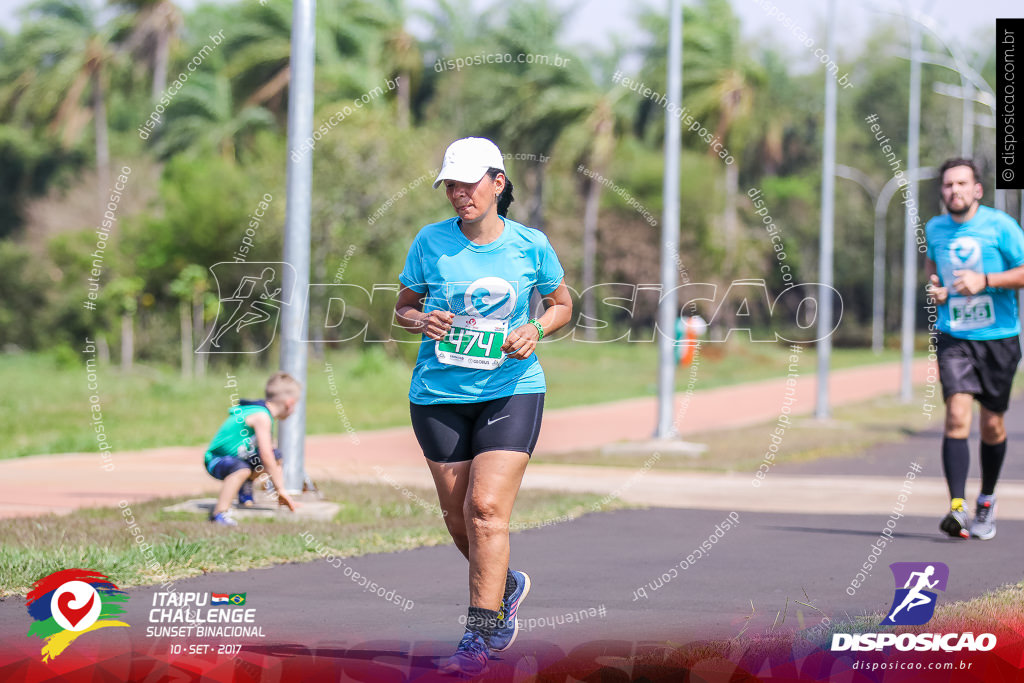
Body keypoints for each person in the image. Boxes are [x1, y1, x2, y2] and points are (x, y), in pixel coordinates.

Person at [394, 137, 573, 675]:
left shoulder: (530, 245)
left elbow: (563, 304)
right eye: (450, 184)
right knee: (458, 521)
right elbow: (403, 307)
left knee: (487, 512)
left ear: (497, 183)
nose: (458, 193)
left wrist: (535, 328)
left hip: (512, 388)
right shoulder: (430, 243)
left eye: (468, 183)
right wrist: (420, 319)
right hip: (438, 395)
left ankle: (477, 638)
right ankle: (507, 585)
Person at [925, 158, 1024, 540]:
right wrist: (938, 288)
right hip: (955, 336)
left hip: (999, 338)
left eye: (962, 184)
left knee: (992, 425)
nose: (955, 191)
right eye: (948, 185)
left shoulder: (1001, 227)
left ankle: (986, 499)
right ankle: (957, 507)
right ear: (942, 192)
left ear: (977, 190)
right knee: (956, 415)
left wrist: (985, 280)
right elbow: (933, 270)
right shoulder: (935, 229)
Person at [203, 371, 300, 525]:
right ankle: (219, 513)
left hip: (237, 457)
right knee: (242, 468)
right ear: (290, 403)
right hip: (216, 460)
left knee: (276, 455)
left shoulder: (262, 413)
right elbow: (265, 456)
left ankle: (245, 486)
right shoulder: (262, 416)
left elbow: (270, 453)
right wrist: (280, 489)